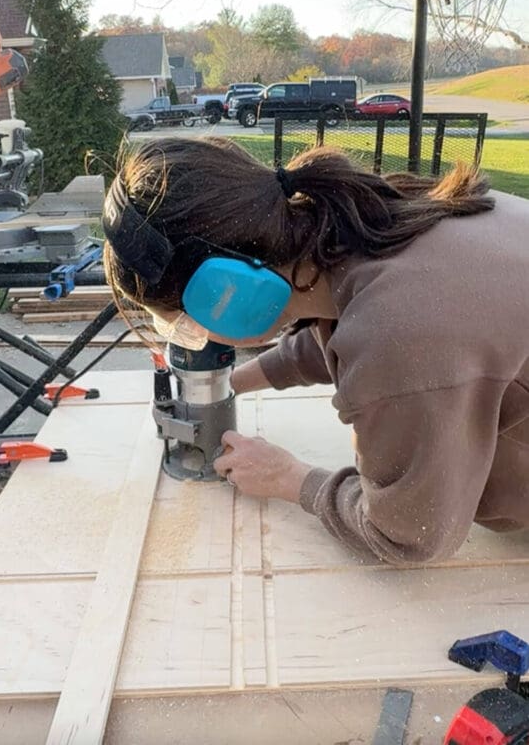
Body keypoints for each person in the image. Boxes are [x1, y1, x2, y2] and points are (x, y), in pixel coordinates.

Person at [103, 136, 529, 566]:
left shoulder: (398, 334)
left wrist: (289, 478)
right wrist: (229, 385)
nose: (200, 335)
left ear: (226, 291)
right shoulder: (377, 221)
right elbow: (346, 328)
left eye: (188, 323)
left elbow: (409, 535)